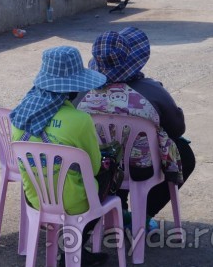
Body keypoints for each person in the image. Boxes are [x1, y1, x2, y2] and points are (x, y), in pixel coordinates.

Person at [77, 27, 194, 229]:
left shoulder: (82, 92)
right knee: (185, 156)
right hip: (143, 169)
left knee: (115, 150)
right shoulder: (153, 91)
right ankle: (144, 213)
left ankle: (118, 209)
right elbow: (177, 130)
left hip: (101, 166)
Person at [10, 46, 109, 267]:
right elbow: (93, 168)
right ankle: (77, 248)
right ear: (73, 89)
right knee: (109, 174)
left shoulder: (19, 116)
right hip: (75, 202)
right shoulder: (80, 120)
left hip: (35, 198)